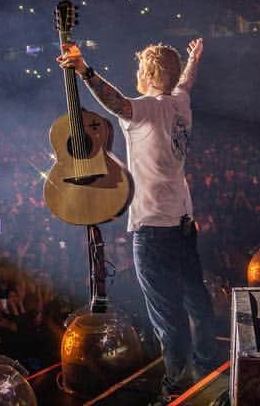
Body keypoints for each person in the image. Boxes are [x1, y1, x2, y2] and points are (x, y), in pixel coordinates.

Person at [58, 38, 217, 406]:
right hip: (183, 221)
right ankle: (207, 363)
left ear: (146, 73)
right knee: (196, 298)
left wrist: (83, 70)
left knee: (168, 316)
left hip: (153, 227)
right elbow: (186, 83)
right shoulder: (180, 103)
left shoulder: (146, 109)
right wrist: (193, 60)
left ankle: (176, 387)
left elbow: (114, 102)